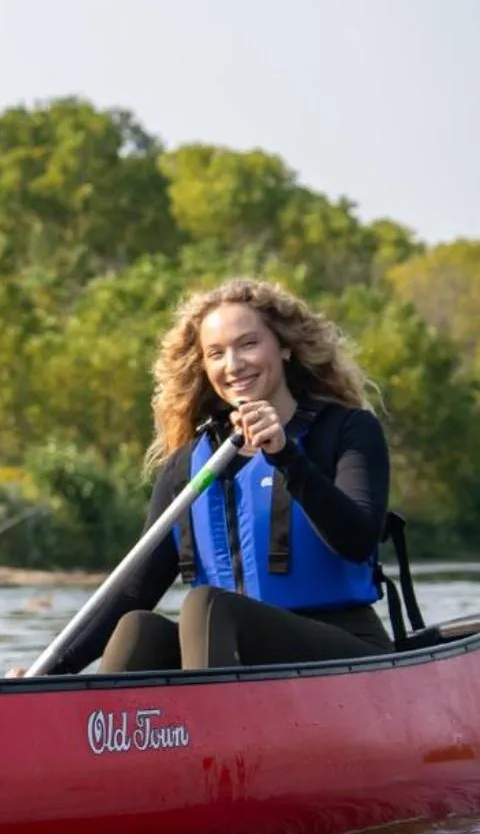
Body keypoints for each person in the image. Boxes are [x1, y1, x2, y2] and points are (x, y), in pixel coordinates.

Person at [34, 277, 394, 676]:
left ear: (286, 347)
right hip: (235, 659)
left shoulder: (347, 430)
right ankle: (96, 730)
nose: (234, 365)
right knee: (139, 629)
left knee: (207, 605)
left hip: (347, 653)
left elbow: (358, 541)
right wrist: (52, 670)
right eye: (216, 353)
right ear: (204, 367)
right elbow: (135, 590)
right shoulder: (188, 465)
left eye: (249, 344)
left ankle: (213, 729)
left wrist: (286, 455)